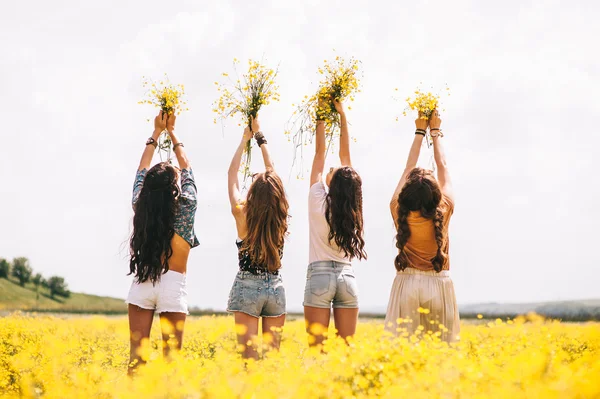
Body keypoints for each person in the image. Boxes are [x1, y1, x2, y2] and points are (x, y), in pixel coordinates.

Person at [126, 111, 199, 374]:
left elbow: (141, 171)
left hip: (143, 280)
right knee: (172, 366)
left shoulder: (140, 204)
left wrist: (155, 133)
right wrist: (172, 132)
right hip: (173, 285)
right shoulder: (187, 205)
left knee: (136, 361)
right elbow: (188, 167)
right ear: (175, 187)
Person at [384, 109, 460, 343]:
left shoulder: (398, 208)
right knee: (441, 356)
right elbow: (443, 166)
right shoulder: (444, 208)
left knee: (404, 355)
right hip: (439, 284)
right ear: (435, 193)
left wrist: (419, 131)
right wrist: (435, 131)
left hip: (406, 285)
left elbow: (408, 168)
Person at [304, 99, 367, 347]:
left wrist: (320, 119)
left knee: (316, 350)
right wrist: (342, 115)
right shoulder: (354, 208)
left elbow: (320, 155)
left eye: (334, 170)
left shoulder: (317, 198)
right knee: (345, 351)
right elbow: (346, 157)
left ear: (332, 182)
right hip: (347, 277)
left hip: (319, 275)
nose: (332, 167)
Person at [226, 117, 289, 360]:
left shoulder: (241, 214)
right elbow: (272, 173)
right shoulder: (280, 217)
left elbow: (232, 174)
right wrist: (261, 137)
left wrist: (245, 139)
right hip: (275, 286)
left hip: (247, 287)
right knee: (270, 365)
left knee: (249, 367)